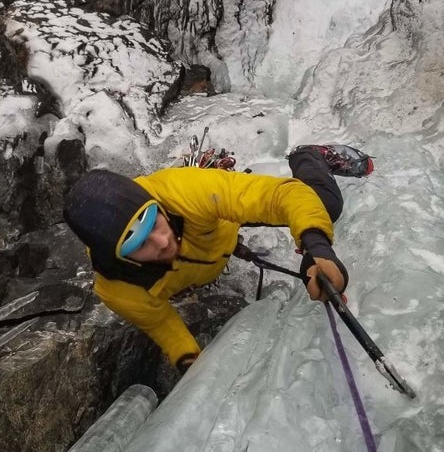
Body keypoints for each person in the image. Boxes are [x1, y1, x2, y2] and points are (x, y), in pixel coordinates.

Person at [63, 144, 373, 374]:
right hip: (205, 257)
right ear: (119, 257)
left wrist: (316, 246)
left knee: (326, 204)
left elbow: (283, 196)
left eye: (154, 221)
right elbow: (162, 325)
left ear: (156, 204)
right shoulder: (118, 289)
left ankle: (308, 156)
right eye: (140, 243)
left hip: (221, 224)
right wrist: (190, 364)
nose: (162, 240)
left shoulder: (185, 191)